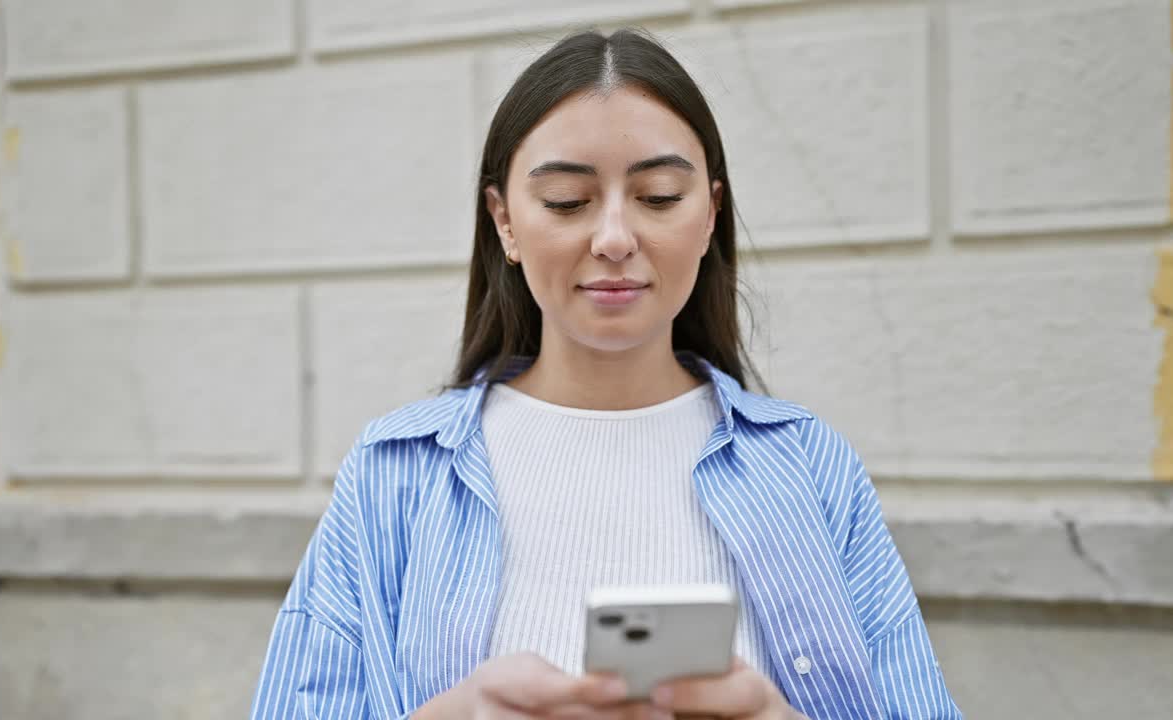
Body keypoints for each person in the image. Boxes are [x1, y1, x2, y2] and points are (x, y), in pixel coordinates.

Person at [250, 27, 961, 720]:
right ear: (503, 220)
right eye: (566, 201)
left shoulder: (809, 468)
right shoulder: (394, 474)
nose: (615, 238)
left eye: (658, 197)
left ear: (711, 212)